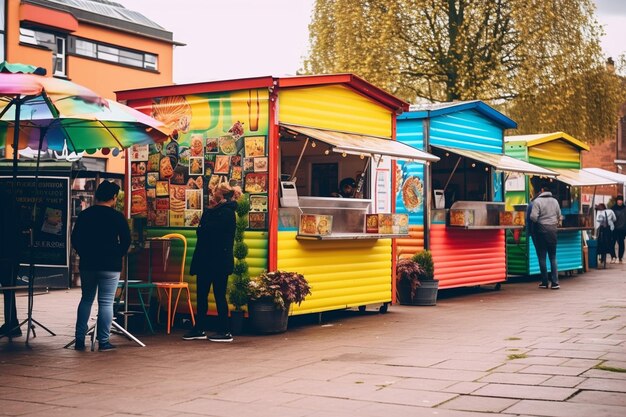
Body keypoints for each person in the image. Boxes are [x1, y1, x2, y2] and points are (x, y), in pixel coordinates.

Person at [71, 181, 131, 351]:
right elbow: (126, 240)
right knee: (105, 303)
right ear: (113, 198)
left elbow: (75, 238)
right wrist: (116, 254)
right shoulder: (117, 216)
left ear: (97, 195)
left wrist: (84, 253)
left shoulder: (85, 215)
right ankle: (103, 342)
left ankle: (79, 340)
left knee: (86, 299)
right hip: (110, 265)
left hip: (88, 264)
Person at [184, 182, 238, 343]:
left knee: (217, 295)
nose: (211, 196)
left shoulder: (225, 213)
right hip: (213, 259)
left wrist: (204, 224)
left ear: (219, 195)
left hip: (215, 259)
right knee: (206, 295)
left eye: (214, 193)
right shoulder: (218, 212)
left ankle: (224, 330)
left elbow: (205, 232)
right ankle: (200, 328)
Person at [529, 182, 562, 289]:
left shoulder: (537, 201)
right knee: (553, 256)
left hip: (541, 231)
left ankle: (544, 282)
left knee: (542, 257)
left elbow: (533, 217)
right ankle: (555, 282)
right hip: (553, 231)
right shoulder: (555, 201)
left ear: (542, 190)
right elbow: (559, 216)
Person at [596, 202, 617, 267]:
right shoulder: (610, 211)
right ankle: (611, 256)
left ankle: (605, 257)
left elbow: (597, 220)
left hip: (605, 228)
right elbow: (614, 219)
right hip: (608, 228)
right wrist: (610, 222)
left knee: (604, 242)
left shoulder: (600, 212)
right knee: (609, 242)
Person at [612, 195, 625, 263]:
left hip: (622, 229)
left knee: (621, 244)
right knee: (612, 243)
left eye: (621, 200)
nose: (620, 201)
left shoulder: (625, 208)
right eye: (619, 200)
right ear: (616, 201)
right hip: (614, 229)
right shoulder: (613, 208)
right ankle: (613, 256)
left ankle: (620, 257)